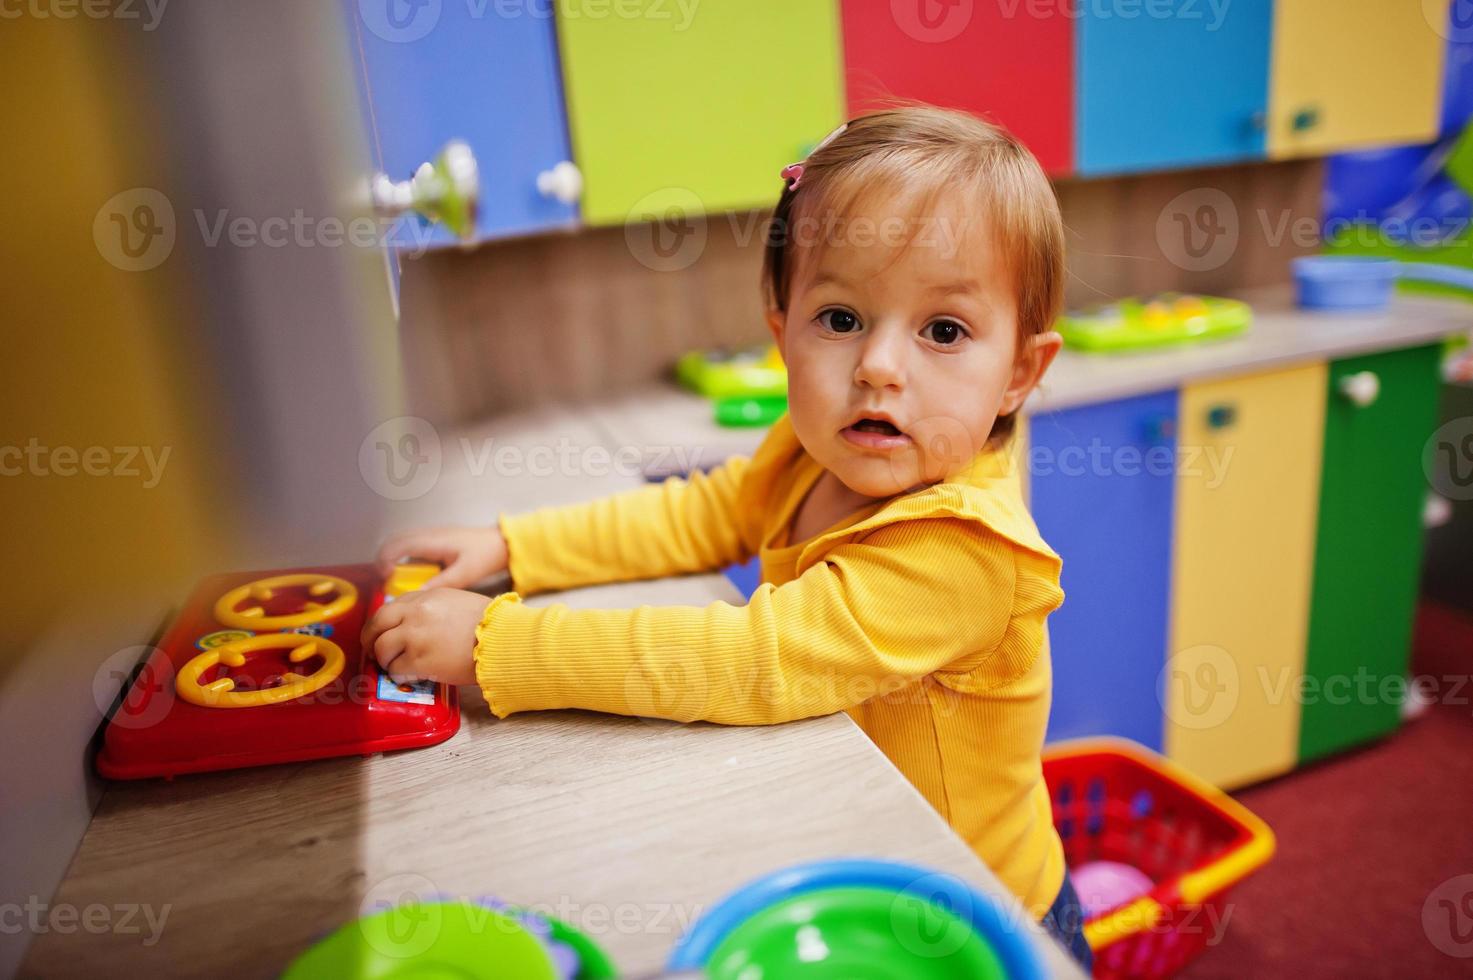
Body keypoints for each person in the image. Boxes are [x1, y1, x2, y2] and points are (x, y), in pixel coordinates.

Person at [363, 106, 1090, 969]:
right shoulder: (825, 448)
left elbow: (755, 659)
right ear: (782, 333)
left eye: (942, 331)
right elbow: (701, 513)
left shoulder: (963, 549)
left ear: (1018, 372)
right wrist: (514, 546)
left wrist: (498, 644)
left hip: (973, 911)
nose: (878, 367)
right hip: (859, 853)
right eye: (841, 319)